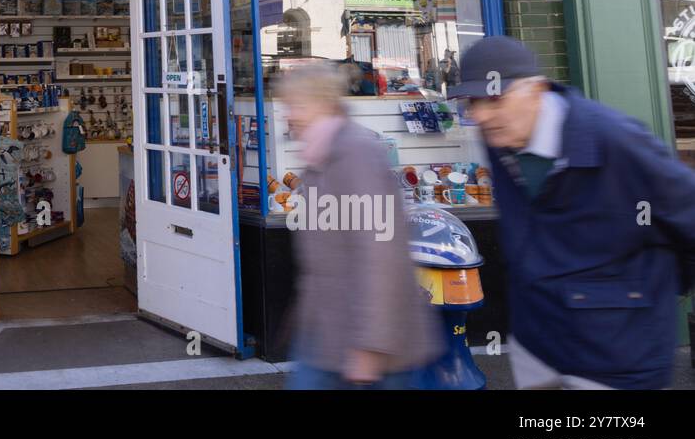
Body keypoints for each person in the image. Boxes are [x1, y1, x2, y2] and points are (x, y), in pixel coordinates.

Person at [450, 35, 695, 389]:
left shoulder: (614, 140)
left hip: (615, 357)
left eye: (494, 99)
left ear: (535, 90)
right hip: (536, 345)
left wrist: (643, 296)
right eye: (473, 101)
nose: (481, 115)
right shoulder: (500, 138)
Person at [278, 62, 441, 389]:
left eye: (297, 105)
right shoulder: (320, 157)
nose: (289, 115)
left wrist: (370, 345)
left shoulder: (355, 154)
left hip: (366, 343)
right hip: (328, 334)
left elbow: (380, 254)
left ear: (323, 104)